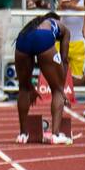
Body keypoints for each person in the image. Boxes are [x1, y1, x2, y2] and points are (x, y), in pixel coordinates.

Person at [13, 12, 73, 144]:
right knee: (56, 90)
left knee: (23, 88)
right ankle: (55, 135)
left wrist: (29, 86)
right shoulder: (62, 28)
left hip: (22, 39)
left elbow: (25, 78)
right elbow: (64, 60)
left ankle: (23, 134)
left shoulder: (32, 25)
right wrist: (61, 88)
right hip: (43, 39)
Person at [56, 0, 85, 87]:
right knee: (57, 74)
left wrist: (71, 6)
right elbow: (59, 7)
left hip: (78, 44)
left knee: (75, 80)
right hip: (61, 43)